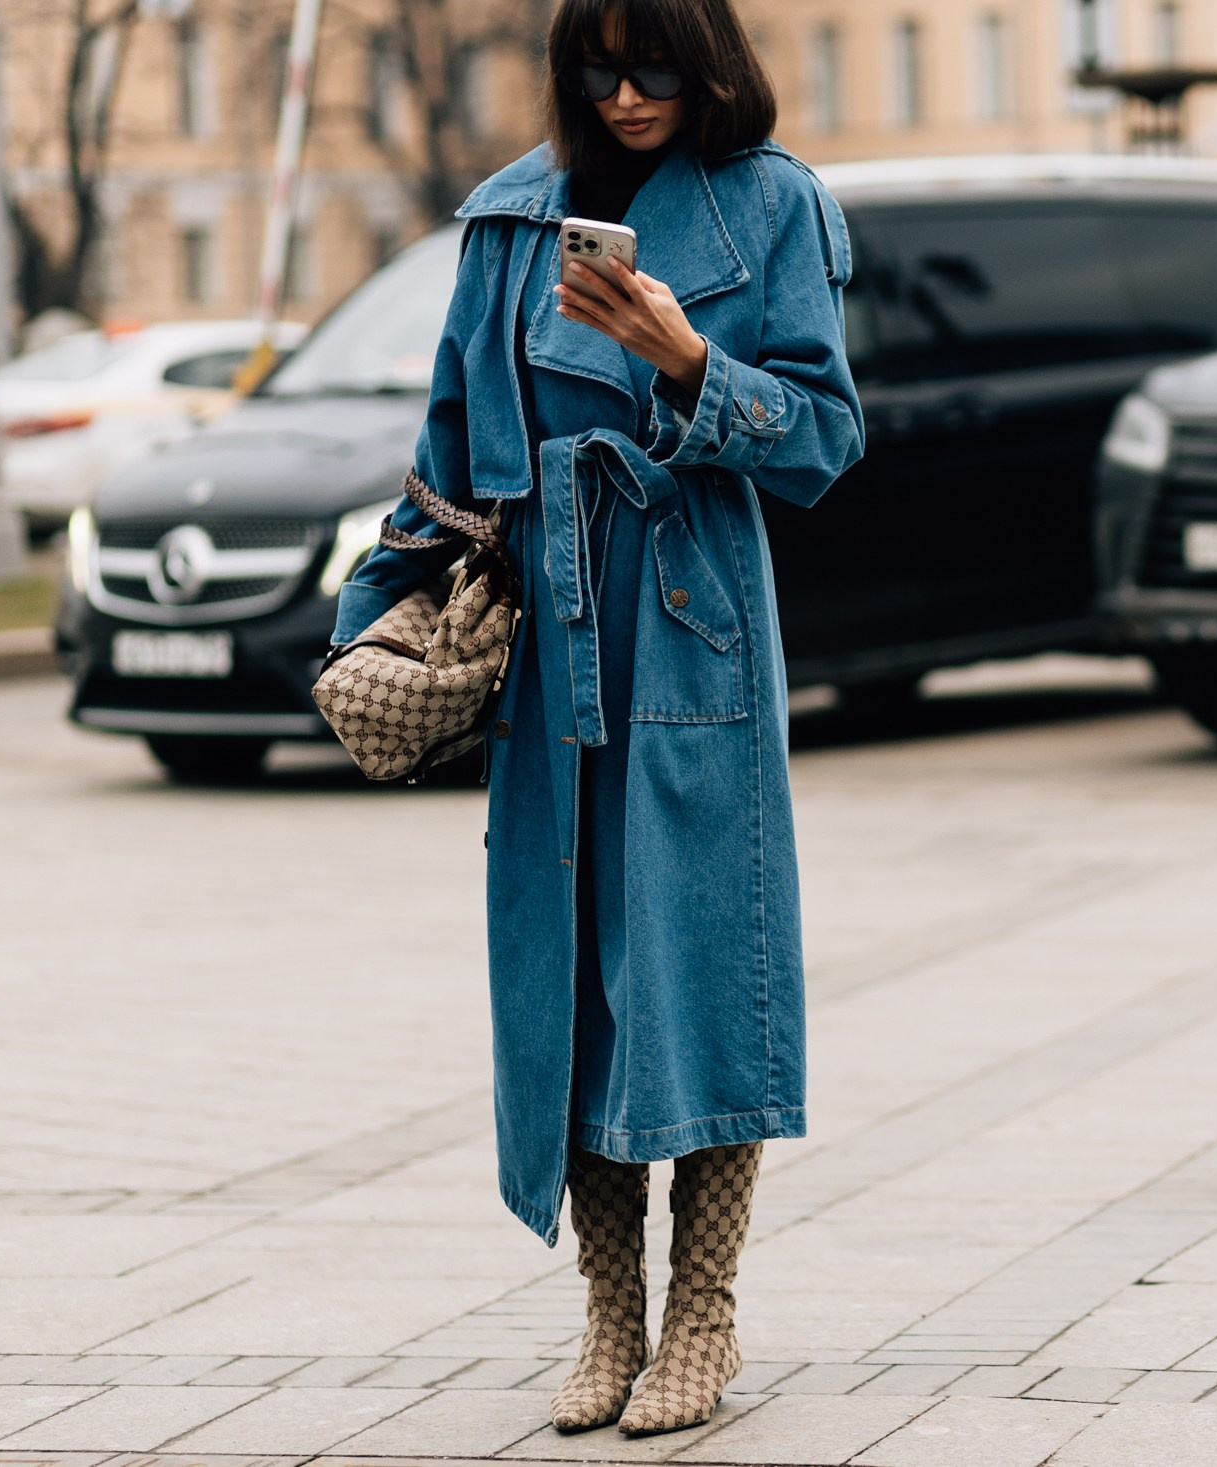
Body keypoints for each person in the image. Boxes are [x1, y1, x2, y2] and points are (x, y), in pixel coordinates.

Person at [329, 0, 863, 1437]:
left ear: (710, 71)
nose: (625, 99)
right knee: (569, 979)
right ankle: (609, 1313)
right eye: (597, 70)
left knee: (698, 966)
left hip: (691, 628)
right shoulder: (510, 221)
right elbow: (450, 450)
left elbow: (824, 437)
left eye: (655, 71)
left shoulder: (774, 205)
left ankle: (704, 1313)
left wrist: (689, 363)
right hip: (549, 635)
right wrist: (369, 614)